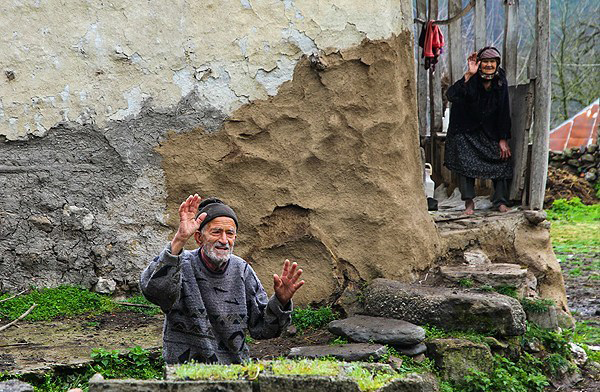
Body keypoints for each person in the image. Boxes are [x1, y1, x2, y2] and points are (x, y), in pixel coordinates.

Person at [140, 194, 305, 364]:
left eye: (230, 234)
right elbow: (154, 291)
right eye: (216, 232)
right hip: (185, 371)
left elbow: (263, 329)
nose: (224, 240)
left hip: (234, 370)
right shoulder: (179, 264)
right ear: (199, 238)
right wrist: (179, 239)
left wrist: (280, 302)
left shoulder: (242, 270)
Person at [444, 46, 512, 215]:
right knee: (465, 160)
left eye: (492, 62)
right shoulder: (472, 78)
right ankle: (469, 202)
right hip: (466, 129)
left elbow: (504, 110)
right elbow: (451, 95)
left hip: (488, 130)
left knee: (502, 158)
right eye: (485, 62)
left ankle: (500, 201)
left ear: (497, 64)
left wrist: (503, 139)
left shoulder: (500, 81)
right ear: (479, 64)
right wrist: (468, 75)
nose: (489, 65)